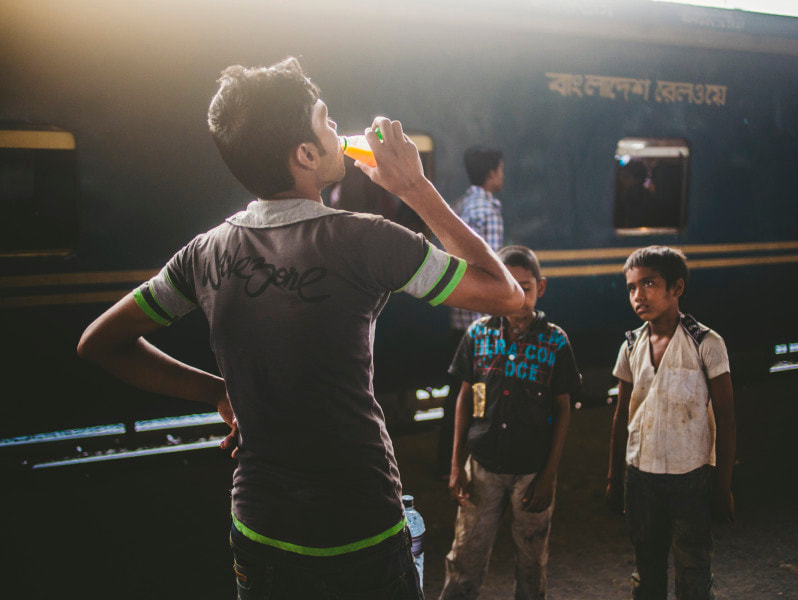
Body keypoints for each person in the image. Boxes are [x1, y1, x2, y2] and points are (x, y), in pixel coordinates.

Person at [76, 57, 523, 599]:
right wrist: (415, 188)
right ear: (305, 155)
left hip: (259, 528)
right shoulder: (369, 240)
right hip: (360, 526)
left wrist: (220, 392)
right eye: (326, 120)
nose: (338, 130)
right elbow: (505, 294)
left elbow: (99, 342)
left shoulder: (204, 252)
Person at [440, 245, 580, 600]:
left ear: (541, 287)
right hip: (482, 466)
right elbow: (465, 399)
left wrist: (549, 475)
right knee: (465, 557)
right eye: (508, 286)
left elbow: (563, 409)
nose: (518, 297)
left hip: (532, 473)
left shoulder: (556, 341)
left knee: (531, 562)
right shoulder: (477, 335)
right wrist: (456, 464)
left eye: (526, 287)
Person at [604, 246, 736, 600]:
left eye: (648, 283)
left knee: (693, 570)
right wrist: (615, 478)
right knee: (647, 571)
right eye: (631, 287)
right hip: (640, 477)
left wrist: (722, 487)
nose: (638, 295)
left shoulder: (706, 343)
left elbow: (726, 418)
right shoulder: (631, 345)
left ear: (676, 288)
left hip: (691, 478)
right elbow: (622, 417)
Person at [438, 144, 506, 476]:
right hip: (479, 320)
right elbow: (490, 271)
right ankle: (468, 458)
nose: (502, 175)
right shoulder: (487, 211)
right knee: (478, 395)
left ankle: (444, 458)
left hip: (458, 317)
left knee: (458, 393)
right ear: (492, 172)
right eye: (501, 169)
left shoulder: (461, 205)